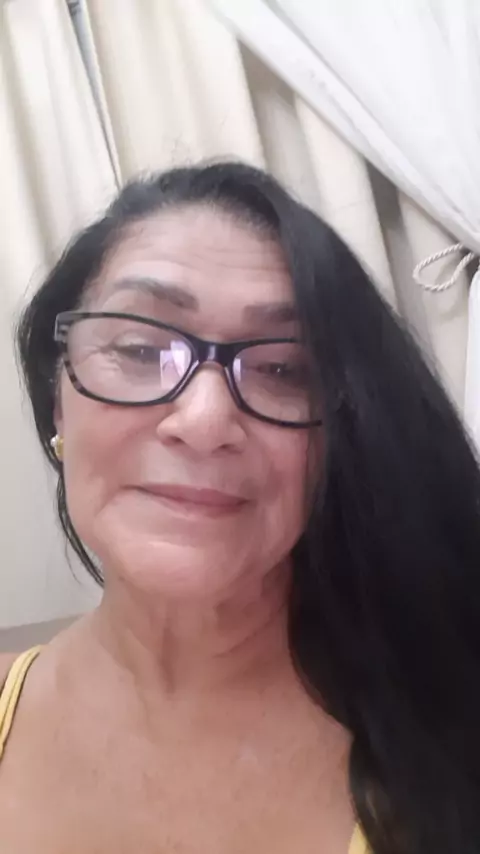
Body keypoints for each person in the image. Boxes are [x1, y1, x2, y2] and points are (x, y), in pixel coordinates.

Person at [0, 161, 479, 854]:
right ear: (58, 403)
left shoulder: (451, 725)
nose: (204, 421)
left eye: (283, 369)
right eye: (140, 349)